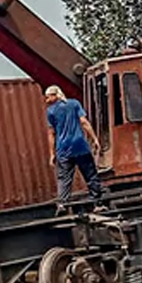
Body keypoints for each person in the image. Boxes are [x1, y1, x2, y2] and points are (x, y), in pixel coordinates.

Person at [44, 85, 105, 213]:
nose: (46, 99)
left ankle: (62, 204)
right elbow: (84, 122)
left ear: (55, 95)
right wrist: (94, 139)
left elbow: (51, 133)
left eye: (48, 96)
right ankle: (97, 203)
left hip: (63, 149)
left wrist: (51, 154)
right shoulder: (74, 104)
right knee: (90, 175)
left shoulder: (50, 111)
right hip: (80, 146)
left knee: (64, 178)